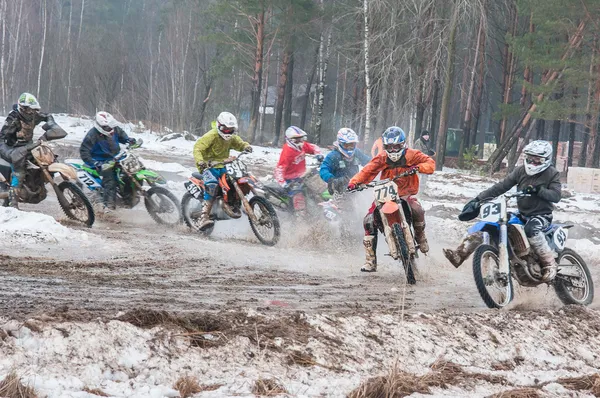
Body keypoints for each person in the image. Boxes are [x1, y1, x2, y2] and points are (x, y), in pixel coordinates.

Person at [443, 140, 561, 281]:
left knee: (531, 229)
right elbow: (501, 186)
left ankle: (549, 264)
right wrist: (478, 200)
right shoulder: (520, 170)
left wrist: (539, 190)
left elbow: (556, 196)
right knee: (493, 224)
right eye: (530, 158)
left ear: (546, 159)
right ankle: (460, 253)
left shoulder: (552, 173)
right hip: (522, 214)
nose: (533, 162)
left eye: (537, 159)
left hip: (541, 215)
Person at [348, 126, 435, 272]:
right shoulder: (382, 157)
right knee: (368, 220)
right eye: (390, 147)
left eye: (396, 146)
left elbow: (430, 163)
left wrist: (419, 168)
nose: (393, 150)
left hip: (407, 193)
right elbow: (367, 170)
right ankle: (370, 260)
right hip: (385, 193)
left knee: (417, 210)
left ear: (403, 144)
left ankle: (420, 237)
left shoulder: (412, 154)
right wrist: (354, 182)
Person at [193, 111, 252, 230]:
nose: (227, 132)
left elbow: (238, 143)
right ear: (219, 126)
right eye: (225, 129)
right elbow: (197, 148)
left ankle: (234, 202)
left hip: (224, 165)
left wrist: (246, 146)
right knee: (212, 186)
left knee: (238, 178)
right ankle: (202, 218)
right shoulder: (211, 135)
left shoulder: (231, 137)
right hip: (209, 167)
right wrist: (200, 161)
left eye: (230, 130)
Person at [0, 93, 54, 209]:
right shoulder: (13, 118)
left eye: (34, 110)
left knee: (46, 160)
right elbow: (2, 138)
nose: (32, 113)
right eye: (30, 110)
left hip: (28, 147)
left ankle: (36, 184)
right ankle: (13, 205)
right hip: (12, 149)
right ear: (23, 108)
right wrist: (9, 151)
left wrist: (51, 123)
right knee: (19, 172)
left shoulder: (34, 116)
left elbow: (46, 116)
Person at [80, 111, 137, 211]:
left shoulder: (114, 128)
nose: (111, 129)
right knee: (110, 182)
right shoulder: (92, 135)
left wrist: (129, 140)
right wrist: (94, 163)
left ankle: (128, 199)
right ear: (100, 126)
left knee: (130, 174)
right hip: (102, 162)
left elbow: (123, 137)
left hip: (117, 158)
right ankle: (108, 208)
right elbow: (84, 151)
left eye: (111, 126)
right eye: (108, 127)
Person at [274, 126, 321, 212]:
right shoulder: (287, 152)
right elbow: (279, 170)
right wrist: (284, 184)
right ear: (289, 140)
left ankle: (323, 205)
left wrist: (318, 155)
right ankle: (300, 218)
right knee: (298, 195)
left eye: (301, 139)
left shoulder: (302, 146)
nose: (300, 142)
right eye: (296, 140)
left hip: (302, 175)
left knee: (318, 185)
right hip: (290, 179)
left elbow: (313, 147)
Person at [319, 128, 370, 195]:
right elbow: (323, 169)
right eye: (346, 145)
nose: (349, 148)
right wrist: (331, 180)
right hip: (338, 189)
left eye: (352, 145)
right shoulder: (334, 155)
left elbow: (369, 162)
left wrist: (380, 165)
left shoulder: (356, 153)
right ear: (340, 143)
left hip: (355, 185)